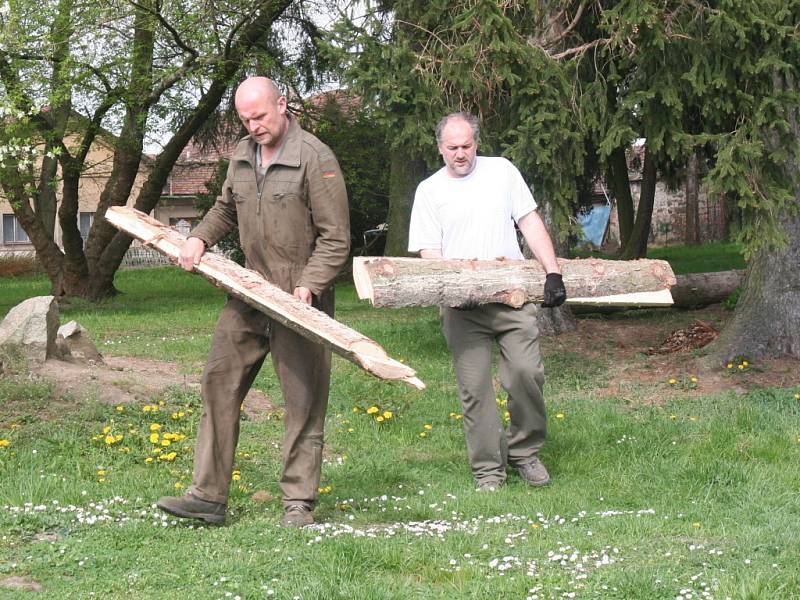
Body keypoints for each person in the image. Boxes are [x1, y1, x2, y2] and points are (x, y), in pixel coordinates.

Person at [156, 77, 350, 527]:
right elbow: (226, 207)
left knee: (302, 400)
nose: (253, 126)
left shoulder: (315, 158)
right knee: (218, 382)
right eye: (245, 119)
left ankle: (298, 502)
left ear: (282, 105)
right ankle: (207, 496)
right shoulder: (242, 154)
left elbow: (337, 238)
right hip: (248, 291)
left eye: (260, 116)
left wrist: (309, 286)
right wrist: (199, 238)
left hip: (300, 297)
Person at [408, 112, 566, 491]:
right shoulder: (430, 191)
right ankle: (487, 472)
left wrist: (552, 271)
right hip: (463, 309)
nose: (460, 154)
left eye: (466, 146)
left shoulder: (502, 171)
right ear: (440, 148)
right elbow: (429, 251)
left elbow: (529, 221)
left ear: (476, 143)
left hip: (512, 297)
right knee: (475, 389)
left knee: (527, 373)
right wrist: (455, 288)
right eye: (452, 148)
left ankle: (524, 452)